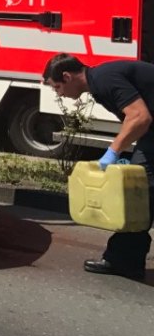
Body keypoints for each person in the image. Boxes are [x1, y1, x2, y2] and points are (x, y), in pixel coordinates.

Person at [43, 53, 153, 281]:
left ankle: (123, 260)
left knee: (139, 195)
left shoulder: (103, 79)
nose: (60, 95)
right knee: (142, 195)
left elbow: (140, 117)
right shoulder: (100, 81)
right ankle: (124, 260)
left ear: (67, 76)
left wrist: (113, 152)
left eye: (57, 88)